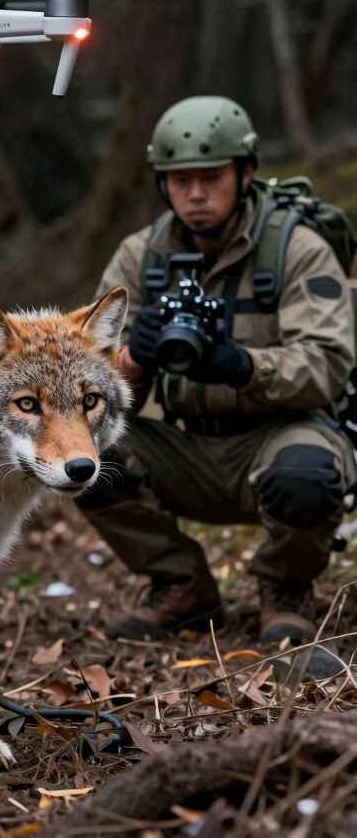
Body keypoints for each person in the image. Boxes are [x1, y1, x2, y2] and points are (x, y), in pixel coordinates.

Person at [77, 96, 356, 670]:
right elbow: (81, 388)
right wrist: (132, 359)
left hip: (281, 435)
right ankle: (182, 586)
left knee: (307, 473)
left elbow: (329, 364)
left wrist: (240, 365)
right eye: (180, 181)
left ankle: (286, 587)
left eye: (211, 178)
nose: (196, 194)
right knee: (83, 455)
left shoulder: (295, 249)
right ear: (162, 184)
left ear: (245, 173)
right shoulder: (139, 258)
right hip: (187, 447)